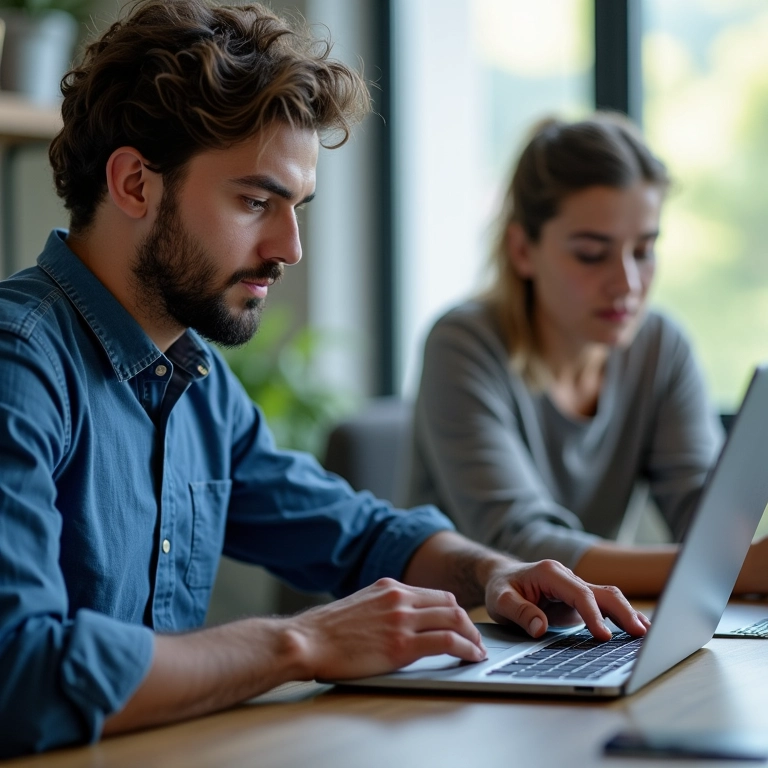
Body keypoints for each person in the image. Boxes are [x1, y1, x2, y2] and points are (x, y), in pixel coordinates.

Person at [0, 2, 648, 758]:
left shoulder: (191, 378)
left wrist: (494, 571)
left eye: (297, 208)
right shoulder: (21, 366)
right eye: (255, 202)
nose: (291, 248)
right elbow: (21, 674)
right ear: (135, 184)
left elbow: (355, 533)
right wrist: (299, 644)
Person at [406, 112, 768, 598]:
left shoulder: (661, 347)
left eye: (643, 251)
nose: (628, 285)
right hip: (463, 636)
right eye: (592, 254)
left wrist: (734, 553)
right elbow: (521, 544)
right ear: (521, 250)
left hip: (576, 628)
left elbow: (706, 524)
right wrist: (734, 568)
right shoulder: (463, 345)